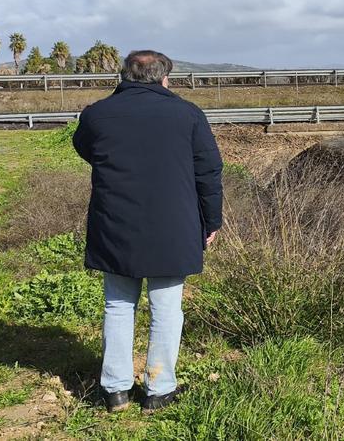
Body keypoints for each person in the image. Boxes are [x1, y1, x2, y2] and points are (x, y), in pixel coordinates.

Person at [72, 50, 223, 414]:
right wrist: (211, 221)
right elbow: (208, 171)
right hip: (174, 224)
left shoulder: (96, 114)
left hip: (115, 223)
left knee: (118, 305)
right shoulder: (187, 114)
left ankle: (115, 391)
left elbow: (85, 148)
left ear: (125, 76)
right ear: (163, 77)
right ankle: (158, 389)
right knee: (166, 308)